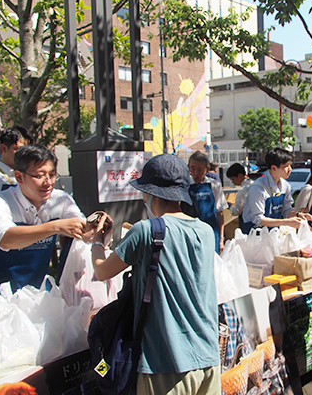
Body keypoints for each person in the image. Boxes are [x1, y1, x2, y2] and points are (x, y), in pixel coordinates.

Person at [90, 154, 220, 395]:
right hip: (208, 358)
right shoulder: (204, 231)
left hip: (164, 364)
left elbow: (101, 271)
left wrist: (97, 241)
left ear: (150, 193)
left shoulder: (146, 231)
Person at [0, 144, 87, 297]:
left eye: (52, 175)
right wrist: (56, 226)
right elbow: (7, 238)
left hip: (38, 296)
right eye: (39, 176)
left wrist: (96, 224)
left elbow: (82, 229)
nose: (48, 182)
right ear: (19, 177)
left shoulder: (60, 199)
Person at [242, 148, 312, 233]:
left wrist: (298, 215)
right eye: (286, 166)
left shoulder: (285, 185)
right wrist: (287, 222)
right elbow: (258, 219)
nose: (290, 169)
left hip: (272, 234)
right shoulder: (258, 188)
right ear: (274, 168)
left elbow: (286, 210)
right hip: (255, 235)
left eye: (290, 165)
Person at [183, 151, 228, 253]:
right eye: (192, 168)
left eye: (200, 169)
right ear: (188, 167)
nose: (196, 173)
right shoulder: (184, 186)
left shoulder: (215, 185)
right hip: (189, 234)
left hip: (211, 233)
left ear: (207, 169)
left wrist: (221, 239)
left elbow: (220, 213)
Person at [226, 163, 254, 229]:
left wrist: (230, 207)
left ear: (240, 175)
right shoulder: (255, 184)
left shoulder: (243, 190)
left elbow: (237, 211)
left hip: (247, 222)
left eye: (233, 179)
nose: (232, 182)